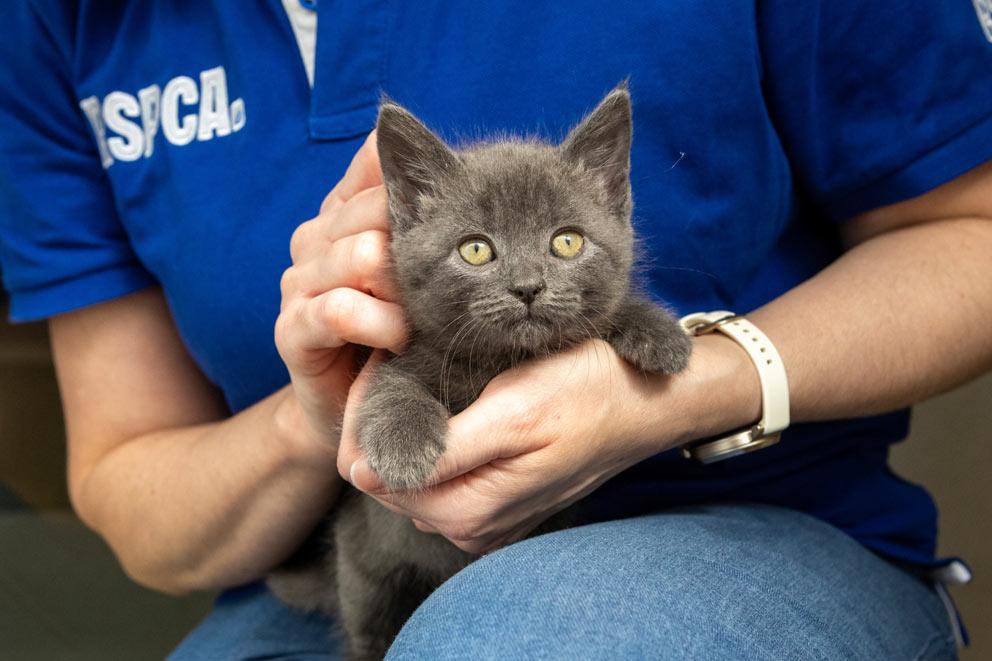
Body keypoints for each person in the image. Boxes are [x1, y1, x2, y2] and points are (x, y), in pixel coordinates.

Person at [1, 1, 990, 658]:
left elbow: (969, 237)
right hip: (351, 574)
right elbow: (132, 486)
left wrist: (695, 385)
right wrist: (321, 414)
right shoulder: (61, 20)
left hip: (747, 536)